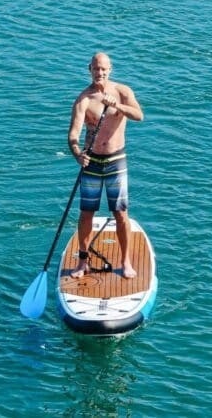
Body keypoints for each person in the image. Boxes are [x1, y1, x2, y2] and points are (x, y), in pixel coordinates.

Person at [68, 52, 144, 279]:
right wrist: (77, 153)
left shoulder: (122, 92)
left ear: (110, 69)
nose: (99, 73)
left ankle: (126, 261)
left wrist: (119, 107)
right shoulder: (83, 99)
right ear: (89, 69)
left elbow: (139, 115)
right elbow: (73, 134)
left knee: (120, 212)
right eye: (95, 69)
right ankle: (83, 262)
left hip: (115, 161)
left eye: (103, 69)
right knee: (86, 213)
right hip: (91, 161)